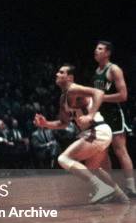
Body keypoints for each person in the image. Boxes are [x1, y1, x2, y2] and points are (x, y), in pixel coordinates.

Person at [34, 64, 127, 203]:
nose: (57, 74)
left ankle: (100, 188)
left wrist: (90, 115)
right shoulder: (63, 98)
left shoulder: (73, 88)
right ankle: (121, 196)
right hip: (97, 132)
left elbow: (99, 93)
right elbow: (63, 123)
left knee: (63, 159)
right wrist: (45, 124)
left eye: (61, 72)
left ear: (70, 77)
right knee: (94, 170)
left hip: (97, 130)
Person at [91, 41, 135, 196]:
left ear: (108, 53)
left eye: (100, 49)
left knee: (120, 150)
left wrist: (102, 98)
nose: (96, 51)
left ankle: (131, 187)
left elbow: (123, 96)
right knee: (103, 152)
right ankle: (111, 188)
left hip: (114, 114)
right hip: (101, 116)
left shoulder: (114, 69)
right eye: (96, 48)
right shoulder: (97, 71)